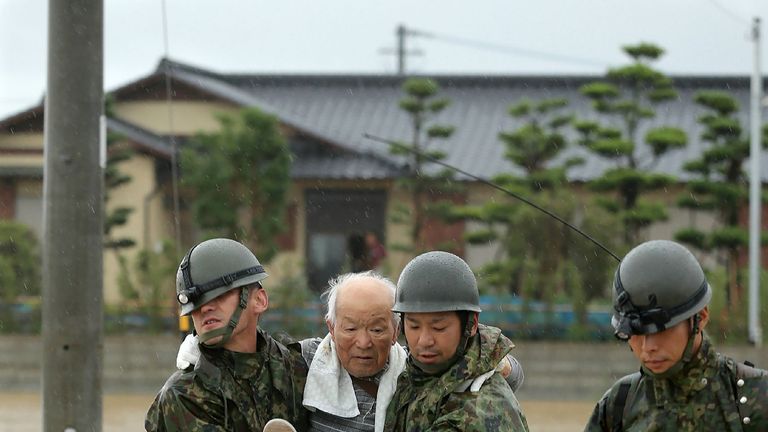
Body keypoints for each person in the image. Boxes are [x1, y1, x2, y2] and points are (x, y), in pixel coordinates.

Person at [584, 239, 768, 431]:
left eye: (661, 330)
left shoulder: (756, 397)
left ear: (701, 317)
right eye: (636, 331)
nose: (648, 347)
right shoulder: (618, 405)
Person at [145, 238, 309, 431]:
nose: (205, 308)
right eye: (196, 304)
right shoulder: (185, 395)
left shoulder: (296, 365)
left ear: (259, 300)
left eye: (219, 295)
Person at [384, 251, 530, 432]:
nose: (424, 340)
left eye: (438, 328)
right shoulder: (415, 373)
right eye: (414, 326)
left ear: (472, 324)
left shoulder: (478, 412)